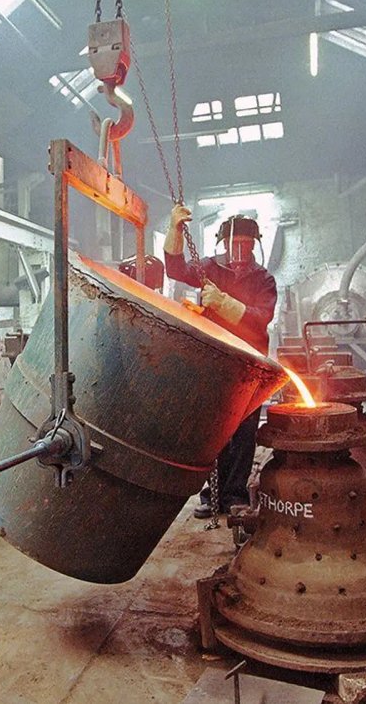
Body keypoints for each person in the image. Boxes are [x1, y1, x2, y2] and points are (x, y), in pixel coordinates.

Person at [164, 206, 277, 519]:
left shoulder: (264, 280)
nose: (240, 250)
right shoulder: (209, 269)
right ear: (224, 244)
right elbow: (174, 269)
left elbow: (260, 320)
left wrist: (224, 304)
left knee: (243, 432)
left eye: (246, 244)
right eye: (234, 244)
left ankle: (235, 495)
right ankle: (211, 495)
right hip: (214, 364)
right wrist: (174, 230)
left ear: (254, 245)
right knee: (214, 432)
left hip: (249, 365)